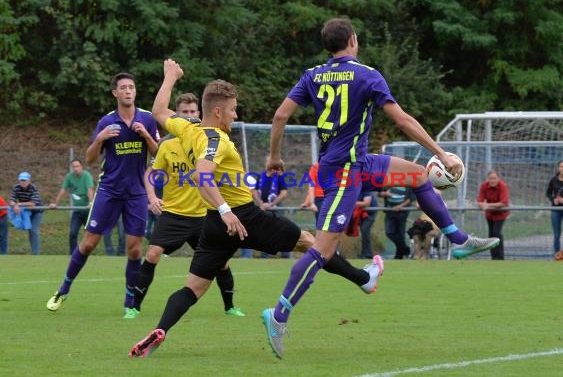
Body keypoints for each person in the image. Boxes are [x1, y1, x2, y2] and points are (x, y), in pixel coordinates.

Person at [261, 17, 499, 359]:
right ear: (354, 41)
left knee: (417, 176)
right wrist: (441, 154)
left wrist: (274, 156)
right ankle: (279, 314)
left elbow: (281, 116)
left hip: (356, 163)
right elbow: (401, 120)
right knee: (323, 250)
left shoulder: (313, 75)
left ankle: (458, 240)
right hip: (344, 173)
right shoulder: (367, 74)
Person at [128, 59, 382, 358]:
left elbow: (158, 111)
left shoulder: (189, 130)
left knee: (193, 289)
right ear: (219, 111)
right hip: (243, 217)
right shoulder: (215, 140)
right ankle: (364, 280)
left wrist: (170, 76)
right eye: (234, 109)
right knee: (314, 243)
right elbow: (200, 175)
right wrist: (227, 210)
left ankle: (161, 330)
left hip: (213, 226)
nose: (236, 115)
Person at [123, 92, 244, 319]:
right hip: (174, 214)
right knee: (152, 254)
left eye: (192, 111)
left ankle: (230, 306)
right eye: (184, 112)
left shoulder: (206, 139)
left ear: (199, 113)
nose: (189, 116)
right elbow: (151, 173)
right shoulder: (167, 144)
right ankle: (133, 307)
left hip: (203, 215)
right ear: (177, 115)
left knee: (222, 262)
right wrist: (152, 197)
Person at [46, 72, 159, 314]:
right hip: (108, 190)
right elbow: (89, 159)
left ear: (135, 92)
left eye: (131, 87)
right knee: (88, 243)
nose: (128, 91)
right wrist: (100, 139)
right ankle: (63, 290)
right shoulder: (106, 122)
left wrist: (147, 135)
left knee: (135, 249)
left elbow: (158, 154)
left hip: (137, 193)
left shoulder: (147, 119)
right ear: (115, 93)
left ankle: (130, 304)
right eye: (123, 88)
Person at [49, 159, 94, 255]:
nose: (75, 168)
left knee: (89, 235)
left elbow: (89, 189)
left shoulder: (86, 175)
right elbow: (63, 190)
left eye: (77, 166)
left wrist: (91, 203)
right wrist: (55, 203)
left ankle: (86, 253)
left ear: (81, 167)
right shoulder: (69, 177)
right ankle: (73, 255)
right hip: (77, 211)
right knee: (72, 233)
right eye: (73, 167)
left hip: (87, 211)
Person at [252, 164, 291, 258]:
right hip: (263, 208)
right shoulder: (261, 176)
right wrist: (261, 203)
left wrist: (271, 204)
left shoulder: (279, 176)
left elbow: (284, 193)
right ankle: (264, 255)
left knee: (281, 230)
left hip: (277, 208)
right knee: (263, 231)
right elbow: (254, 191)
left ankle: (285, 255)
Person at [475, 170, 509, 260]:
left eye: (494, 178)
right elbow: (479, 200)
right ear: (487, 179)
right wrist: (482, 204)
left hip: (501, 214)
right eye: (490, 178)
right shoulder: (484, 186)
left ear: (498, 179)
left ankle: (500, 257)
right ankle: (494, 257)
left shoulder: (502, 186)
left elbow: (503, 203)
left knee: (497, 233)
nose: (492, 180)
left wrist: (489, 205)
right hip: (490, 214)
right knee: (491, 234)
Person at [9, 172, 43, 255]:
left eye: (24, 180)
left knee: (33, 231)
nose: (23, 182)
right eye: (21, 180)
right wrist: (14, 205)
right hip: (26, 212)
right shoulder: (16, 187)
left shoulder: (33, 187)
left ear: (29, 180)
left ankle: (36, 253)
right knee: (29, 230)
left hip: (36, 212)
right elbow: (11, 200)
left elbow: (33, 203)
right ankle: (34, 252)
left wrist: (19, 204)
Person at [379, 186, 414, 259]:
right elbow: (379, 193)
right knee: (389, 232)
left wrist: (400, 206)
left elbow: (411, 198)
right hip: (390, 211)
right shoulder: (388, 181)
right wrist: (385, 193)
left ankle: (399, 256)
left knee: (400, 234)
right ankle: (405, 249)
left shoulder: (408, 182)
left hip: (402, 212)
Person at [546, 160, 563, 258]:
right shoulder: (553, 180)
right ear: (558, 168)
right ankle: (557, 255)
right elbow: (548, 193)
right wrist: (553, 200)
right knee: (556, 234)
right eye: (561, 166)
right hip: (556, 210)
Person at [355, 191, 378, 259]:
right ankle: (365, 253)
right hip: (359, 213)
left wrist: (352, 203)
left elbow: (366, 203)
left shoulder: (366, 190)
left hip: (369, 214)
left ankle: (367, 253)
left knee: (364, 230)